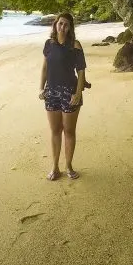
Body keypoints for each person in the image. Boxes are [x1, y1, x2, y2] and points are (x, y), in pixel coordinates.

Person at [39, 12, 86, 181]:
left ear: (70, 27)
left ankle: (69, 166)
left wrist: (78, 93)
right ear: (55, 24)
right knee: (55, 130)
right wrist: (41, 88)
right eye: (60, 24)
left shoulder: (75, 45)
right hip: (51, 92)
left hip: (70, 92)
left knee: (69, 131)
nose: (63, 27)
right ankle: (55, 167)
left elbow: (81, 72)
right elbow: (44, 68)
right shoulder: (49, 44)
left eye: (66, 25)